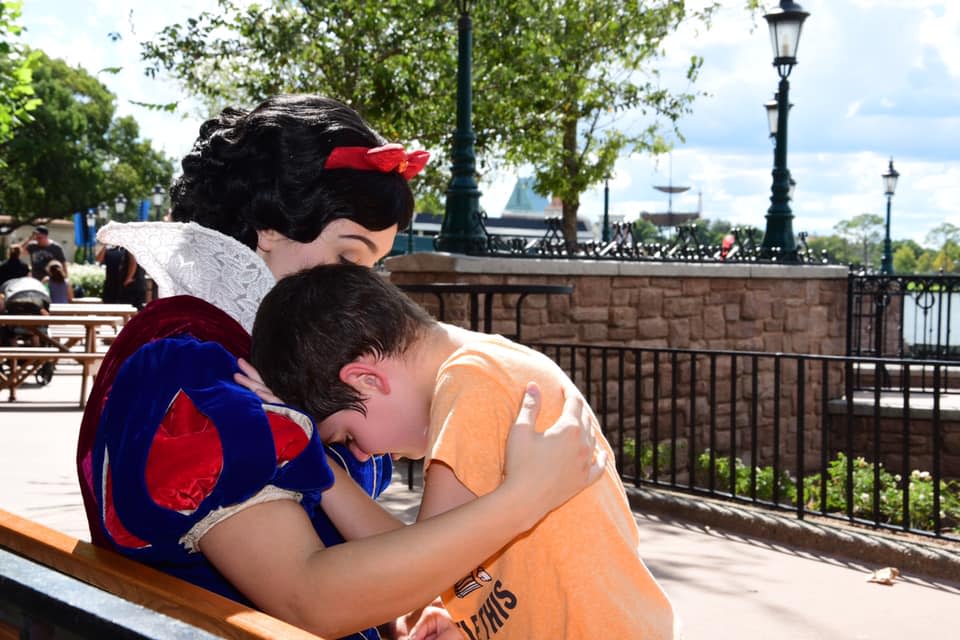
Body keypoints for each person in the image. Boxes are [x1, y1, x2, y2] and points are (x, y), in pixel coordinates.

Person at [76, 94, 601, 640]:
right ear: (269, 226)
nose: (361, 285)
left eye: (373, 267)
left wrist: (399, 613)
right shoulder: (198, 371)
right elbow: (309, 599)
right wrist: (524, 500)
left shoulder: (252, 356)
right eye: (350, 256)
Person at [250, 263, 680, 639]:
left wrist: (313, 459)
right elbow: (432, 556)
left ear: (366, 380)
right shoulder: (487, 369)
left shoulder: (473, 382)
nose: (362, 455)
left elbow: (412, 569)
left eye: (346, 436)